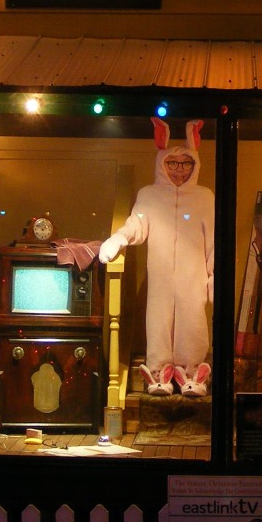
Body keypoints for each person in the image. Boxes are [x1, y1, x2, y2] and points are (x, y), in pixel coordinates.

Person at [99, 118, 214, 397]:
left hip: (193, 276)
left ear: (195, 164)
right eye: (172, 164)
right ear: (161, 163)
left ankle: (191, 373)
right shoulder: (148, 195)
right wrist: (119, 238)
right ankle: (159, 371)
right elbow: (136, 223)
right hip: (161, 276)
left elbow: (214, 239)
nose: (179, 170)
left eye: (186, 163)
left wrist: (214, 277)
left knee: (194, 321)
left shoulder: (204, 197)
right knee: (158, 320)